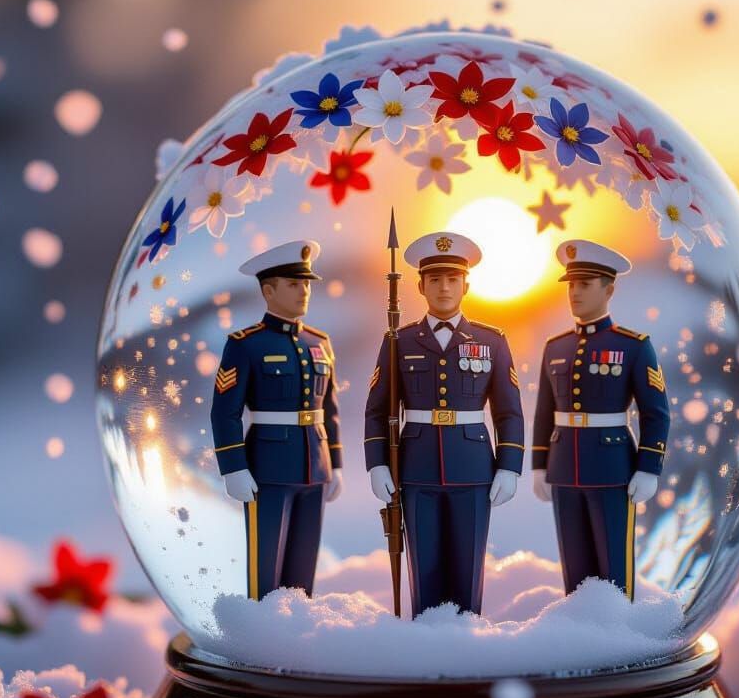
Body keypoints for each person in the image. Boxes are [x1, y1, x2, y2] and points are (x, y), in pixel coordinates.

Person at [364, 231, 524, 616]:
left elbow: (509, 411)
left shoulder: (492, 341)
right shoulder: (397, 341)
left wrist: (509, 466)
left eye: (452, 279)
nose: (444, 287)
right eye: (434, 279)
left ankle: (467, 648)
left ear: (466, 284)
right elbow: (376, 409)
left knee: (468, 570)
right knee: (425, 571)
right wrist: (377, 462)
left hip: (473, 468)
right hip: (416, 467)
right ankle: (425, 649)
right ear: (420, 286)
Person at [531, 239, 671, 600]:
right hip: (563, 468)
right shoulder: (556, 346)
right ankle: (581, 636)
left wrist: (648, 466)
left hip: (612, 467)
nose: (575, 293)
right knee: (574, 568)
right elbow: (545, 411)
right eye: (572, 285)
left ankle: (616, 635)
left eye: (586, 284)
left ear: (609, 289)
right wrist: (539, 464)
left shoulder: (634, 346)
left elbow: (656, 412)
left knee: (613, 569)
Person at [210, 239, 342, 600]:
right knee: (266, 567)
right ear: (268, 291)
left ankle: (296, 632)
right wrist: (233, 467)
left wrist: (337, 463)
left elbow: (328, 409)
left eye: (307, 284)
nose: (303, 292)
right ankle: (263, 637)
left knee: (303, 569)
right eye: (293, 284)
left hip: (315, 465)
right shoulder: (245, 344)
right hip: (267, 466)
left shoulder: (320, 342)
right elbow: (225, 410)